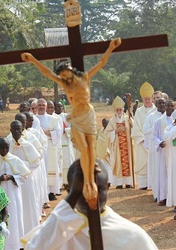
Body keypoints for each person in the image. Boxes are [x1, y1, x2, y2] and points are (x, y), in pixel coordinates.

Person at [22, 37, 122, 210]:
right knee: (83, 148)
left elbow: (101, 63)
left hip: (88, 114)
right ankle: (88, 183)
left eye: (66, 73)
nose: (64, 77)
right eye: (62, 76)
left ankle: (90, 180)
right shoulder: (64, 83)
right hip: (76, 116)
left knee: (90, 147)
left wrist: (111, 48)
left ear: (70, 70)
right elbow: (47, 72)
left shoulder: (84, 77)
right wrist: (32, 60)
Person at [23, 159, 158, 249]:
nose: (90, 196)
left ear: (107, 187)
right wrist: (73, 195)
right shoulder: (56, 232)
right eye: (81, 190)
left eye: (98, 189)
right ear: (68, 190)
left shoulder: (131, 235)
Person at [0, 137, 31, 250]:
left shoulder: (15, 160)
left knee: (15, 218)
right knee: (2, 219)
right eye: (1, 148)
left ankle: (17, 245)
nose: (4, 150)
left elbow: (24, 176)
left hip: (13, 196)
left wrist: (11, 177)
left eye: (6, 147)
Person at [8, 120, 41, 234]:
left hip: (26, 180)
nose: (16, 131)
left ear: (22, 130)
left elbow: (36, 162)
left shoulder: (28, 144)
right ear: (10, 130)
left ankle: (31, 233)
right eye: (14, 129)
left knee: (28, 206)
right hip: (12, 182)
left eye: (19, 129)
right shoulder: (8, 144)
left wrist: (21, 166)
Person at [35, 98, 63, 200]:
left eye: (43, 105)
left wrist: (46, 133)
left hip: (50, 149)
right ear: (37, 106)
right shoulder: (33, 119)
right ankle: (42, 192)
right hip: (38, 150)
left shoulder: (53, 119)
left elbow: (59, 133)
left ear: (46, 107)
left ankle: (51, 192)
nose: (41, 107)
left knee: (50, 169)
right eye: (40, 105)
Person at [105, 96, 134, 189]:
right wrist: (116, 131)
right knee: (118, 163)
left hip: (127, 146)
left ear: (123, 109)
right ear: (115, 111)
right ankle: (119, 183)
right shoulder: (112, 121)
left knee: (128, 162)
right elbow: (106, 133)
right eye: (117, 110)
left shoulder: (128, 119)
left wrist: (132, 123)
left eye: (120, 109)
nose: (119, 111)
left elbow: (134, 129)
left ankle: (129, 182)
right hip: (117, 147)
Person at [131, 82, 155, 190]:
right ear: (142, 99)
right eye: (145, 99)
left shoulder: (157, 111)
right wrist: (143, 139)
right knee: (142, 161)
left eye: (149, 98)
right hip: (142, 142)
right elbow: (136, 128)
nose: (147, 101)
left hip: (154, 142)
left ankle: (153, 184)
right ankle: (143, 184)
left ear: (152, 99)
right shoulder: (139, 112)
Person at [151, 100, 174, 205]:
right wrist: (159, 142)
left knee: (173, 173)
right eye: (167, 105)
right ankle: (163, 197)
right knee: (163, 174)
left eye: (170, 106)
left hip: (174, 152)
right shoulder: (159, 121)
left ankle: (174, 197)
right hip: (163, 151)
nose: (167, 107)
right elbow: (154, 135)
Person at [143, 98, 166, 198]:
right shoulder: (151, 116)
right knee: (157, 170)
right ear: (156, 105)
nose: (161, 105)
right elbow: (145, 130)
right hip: (155, 147)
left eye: (163, 103)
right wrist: (156, 127)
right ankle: (157, 194)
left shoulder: (169, 116)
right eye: (159, 103)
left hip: (167, 147)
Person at [55, 101, 75, 186]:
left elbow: (73, 128)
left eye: (61, 106)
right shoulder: (53, 117)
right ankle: (60, 183)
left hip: (66, 140)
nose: (60, 108)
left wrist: (65, 130)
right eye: (58, 107)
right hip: (57, 143)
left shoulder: (66, 117)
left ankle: (68, 181)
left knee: (68, 162)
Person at [96, 118, 112, 186]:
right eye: (103, 123)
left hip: (109, 153)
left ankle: (110, 180)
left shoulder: (111, 131)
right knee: (103, 167)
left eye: (106, 123)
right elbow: (99, 142)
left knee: (109, 167)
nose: (104, 124)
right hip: (102, 153)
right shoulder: (100, 131)